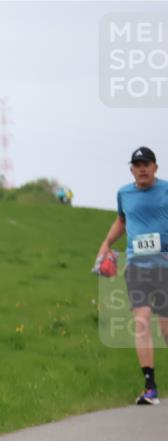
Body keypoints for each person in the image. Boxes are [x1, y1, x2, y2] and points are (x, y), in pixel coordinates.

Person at [97, 146, 168, 405]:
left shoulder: (166, 190)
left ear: (155, 168)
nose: (142, 169)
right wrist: (106, 245)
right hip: (137, 266)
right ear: (131, 170)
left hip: (164, 266)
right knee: (141, 320)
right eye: (138, 165)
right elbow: (122, 221)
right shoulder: (124, 193)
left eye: (147, 164)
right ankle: (150, 387)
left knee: (165, 326)